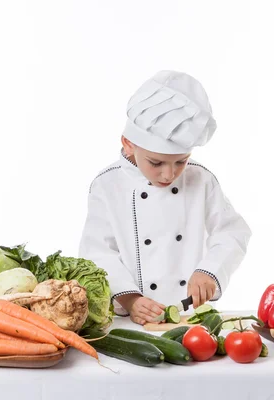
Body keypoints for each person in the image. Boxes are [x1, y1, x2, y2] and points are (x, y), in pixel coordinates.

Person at [79, 70, 251, 325]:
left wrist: (209, 272)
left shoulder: (202, 180)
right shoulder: (107, 185)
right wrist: (131, 300)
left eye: (181, 161)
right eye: (156, 162)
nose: (169, 174)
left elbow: (232, 233)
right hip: (129, 321)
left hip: (191, 318)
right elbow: (98, 253)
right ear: (128, 144)